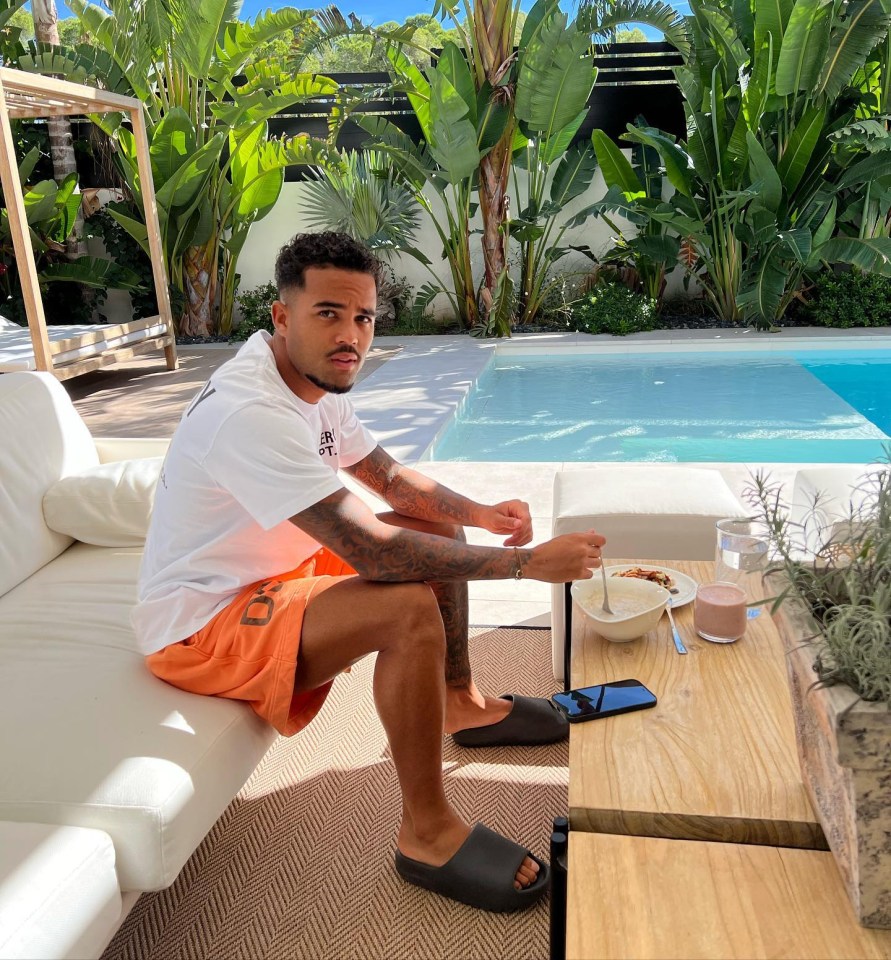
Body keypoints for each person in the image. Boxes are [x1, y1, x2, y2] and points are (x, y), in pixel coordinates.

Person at [133, 232, 605, 913]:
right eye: (329, 313)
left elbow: (388, 481)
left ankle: (457, 701)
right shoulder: (249, 411)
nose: (349, 333)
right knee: (405, 605)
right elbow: (375, 552)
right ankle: (426, 831)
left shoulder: (314, 381)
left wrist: (480, 512)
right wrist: (525, 564)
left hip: (276, 566)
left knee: (436, 528)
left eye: (363, 317)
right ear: (282, 317)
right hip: (200, 623)